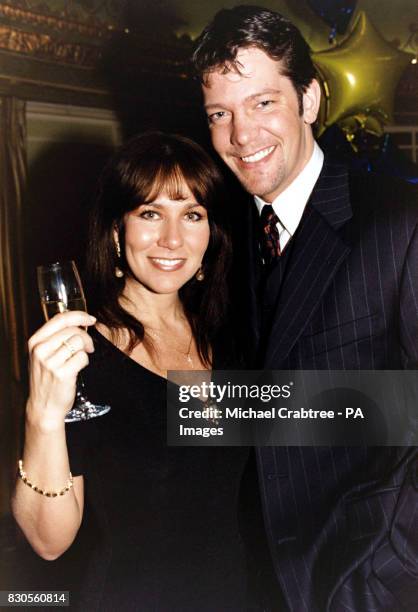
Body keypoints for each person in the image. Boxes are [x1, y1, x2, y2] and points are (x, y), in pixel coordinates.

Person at [192, 6, 418, 611]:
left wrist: (396, 571)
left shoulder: (400, 222)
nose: (241, 136)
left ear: (310, 100)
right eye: (221, 113)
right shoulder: (217, 237)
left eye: (263, 103)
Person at [11, 132, 250, 611]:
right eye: (150, 213)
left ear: (211, 234)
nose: (172, 238)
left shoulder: (234, 343)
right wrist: (43, 414)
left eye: (193, 215)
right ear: (117, 233)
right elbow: (48, 541)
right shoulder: (81, 355)